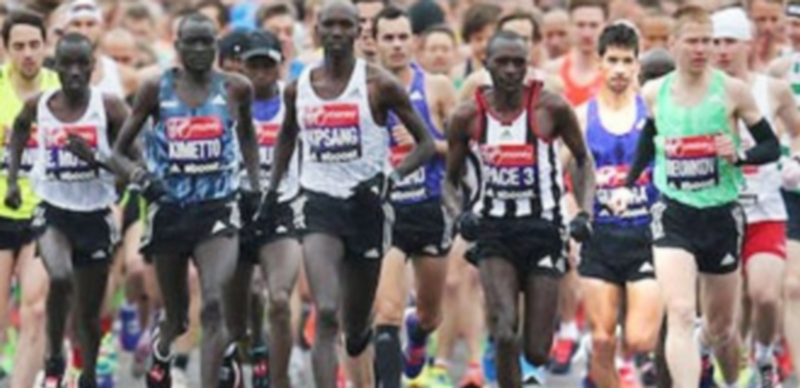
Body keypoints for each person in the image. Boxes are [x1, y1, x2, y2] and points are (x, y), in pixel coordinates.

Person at [610, 5, 781, 387]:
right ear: (674, 45)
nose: (702, 49)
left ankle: (708, 348)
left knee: (720, 326)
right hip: (674, 213)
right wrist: (628, 183)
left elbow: (771, 147)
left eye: (707, 41)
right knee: (682, 312)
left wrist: (738, 155)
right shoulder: (655, 92)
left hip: (721, 214)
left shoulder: (733, 91)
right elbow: (647, 142)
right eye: (693, 41)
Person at [267, 2, 435, 387]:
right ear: (317, 28)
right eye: (331, 25)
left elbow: (424, 144)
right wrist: (272, 192)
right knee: (327, 312)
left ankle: (364, 349)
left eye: (348, 25)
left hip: (367, 209)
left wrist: (392, 177)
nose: (339, 32)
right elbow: (286, 139)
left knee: (357, 330)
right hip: (319, 206)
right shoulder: (300, 87)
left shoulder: (379, 85)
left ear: (359, 32)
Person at [108, 12, 261, 388]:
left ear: (216, 45)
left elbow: (249, 139)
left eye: (206, 41)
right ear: (176, 47)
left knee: (212, 303)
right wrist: (140, 176)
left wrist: (254, 185)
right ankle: (162, 350)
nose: (198, 49)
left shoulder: (236, 88)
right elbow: (118, 152)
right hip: (170, 212)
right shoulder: (154, 89)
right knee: (176, 317)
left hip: (218, 209)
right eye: (190, 42)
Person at [445, 30, 596, 388]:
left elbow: (582, 160)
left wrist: (585, 212)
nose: (511, 70)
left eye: (519, 62)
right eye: (503, 62)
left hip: (543, 228)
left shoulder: (551, 108)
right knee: (504, 329)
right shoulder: (468, 116)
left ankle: (533, 369)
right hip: (494, 231)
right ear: (487, 65)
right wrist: (458, 215)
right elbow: (450, 180)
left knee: (537, 350)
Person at [5, 32, 127, 387]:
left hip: (95, 214)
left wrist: (98, 159)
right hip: (53, 210)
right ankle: (54, 358)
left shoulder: (111, 107)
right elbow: (19, 133)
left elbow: (136, 162)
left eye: (81, 64)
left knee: (88, 316)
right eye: (66, 64)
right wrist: (14, 181)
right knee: (59, 276)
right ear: (53, 66)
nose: (74, 72)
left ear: (93, 66)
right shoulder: (39, 105)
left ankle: (87, 373)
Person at [368, 6, 457, 387]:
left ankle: (418, 334)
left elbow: (461, 148)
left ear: (414, 40)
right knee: (385, 312)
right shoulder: (364, 90)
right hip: (385, 213)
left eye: (403, 37)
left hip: (429, 208)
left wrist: (425, 142)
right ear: (374, 42)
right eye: (388, 37)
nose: (397, 45)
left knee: (430, 314)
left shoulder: (436, 86)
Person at [711, 7, 800, 385]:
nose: (722, 49)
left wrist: (794, 159)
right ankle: (735, 367)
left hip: (765, 207)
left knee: (765, 293)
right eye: (716, 42)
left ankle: (765, 352)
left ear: (747, 43)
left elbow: (797, 131)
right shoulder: (701, 92)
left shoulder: (772, 88)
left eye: (730, 41)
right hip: (716, 212)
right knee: (730, 310)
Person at [575, 22, 663, 388]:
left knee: (641, 339)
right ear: (599, 63)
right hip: (601, 238)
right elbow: (566, 174)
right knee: (601, 339)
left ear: (638, 65)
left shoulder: (655, 111)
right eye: (613, 60)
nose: (620, 69)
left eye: (628, 61)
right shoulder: (581, 116)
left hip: (647, 235)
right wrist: (574, 215)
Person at [224, 29, 302, 388]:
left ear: (279, 65)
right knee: (235, 321)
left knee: (281, 301)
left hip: (281, 209)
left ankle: (280, 378)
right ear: (241, 66)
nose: (259, 73)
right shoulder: (225, 104)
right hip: (236, 210)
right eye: (252, 65)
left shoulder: (296, 104)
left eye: (267, 65)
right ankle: (250, 357)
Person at [0, 10, 61, 388]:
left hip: (46, 213)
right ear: (5, 50)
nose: (27, 53)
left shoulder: (61, 90)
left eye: (34, 45)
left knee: (36, 309)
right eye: (19, 46)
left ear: (45, 46)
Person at [767, 0, 800, 375]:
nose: (794, 30)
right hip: (791, 189)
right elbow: (770, 130)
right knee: (791, 285)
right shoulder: (779, 71)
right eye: (790, 22)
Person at [544, 0, 606, 107]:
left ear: (605, 27)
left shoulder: (616, 72)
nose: (587, 33)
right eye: (580, 25)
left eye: (594, 25)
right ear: (569, 27)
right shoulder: (552, 71)